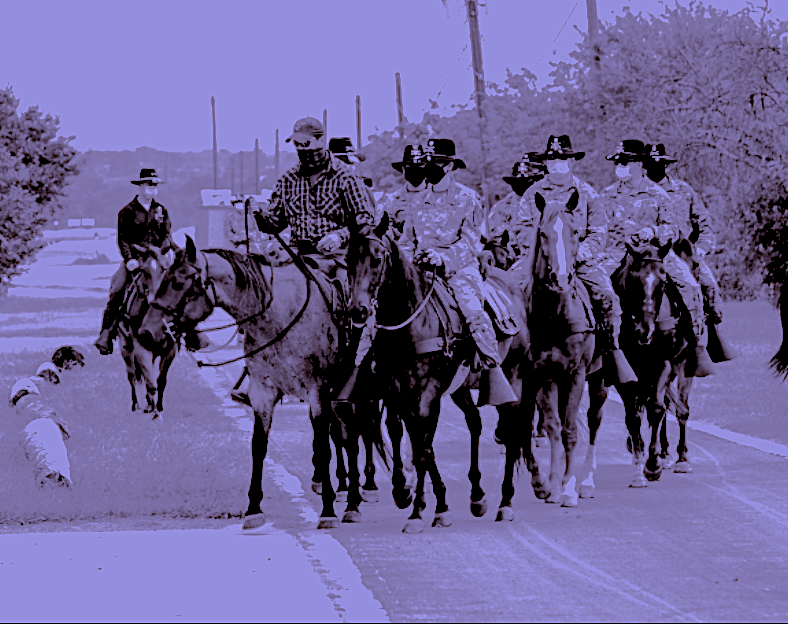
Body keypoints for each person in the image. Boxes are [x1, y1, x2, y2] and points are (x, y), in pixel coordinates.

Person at [253, 117, 376, 411]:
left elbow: (365, 220)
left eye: (306, 144)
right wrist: (260, 215)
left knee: (352, 305)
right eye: (297, 145)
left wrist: (339, 235)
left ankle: (356, 365)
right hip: (298, 255)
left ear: (321, 141)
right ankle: (259, 373)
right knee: (268, 295)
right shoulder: (287, 179)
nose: (302, 150)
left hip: (337, 256)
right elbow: (275, 222)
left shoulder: (346, 177)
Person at [398, 138, 517, 405]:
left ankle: (490, 366)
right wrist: (410, 260)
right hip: (420, 269)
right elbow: (407, 240)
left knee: (474, 312)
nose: (431, 167)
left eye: (437, 162)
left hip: (458, 270)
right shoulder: (417, 200)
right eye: (428, 161)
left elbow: (472, 241)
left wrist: (443, 258)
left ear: (450, 166)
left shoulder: (468, 198)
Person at [512, 135, 637, 385]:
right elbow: (520, 228)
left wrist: (580, 253)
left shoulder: (587, 193)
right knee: (508, 292)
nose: (557, 165)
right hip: (539, 262)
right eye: (552, 160)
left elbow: (599, 230)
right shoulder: (532, 193)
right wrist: (542, 251)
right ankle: (509, 351)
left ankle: (610, 350)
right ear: (546, 163)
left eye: (562, 160)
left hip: (579, 262)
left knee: (607, 296)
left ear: (571, 162)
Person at [599, 140, 716, 377]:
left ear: (638, 164)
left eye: (624, 162)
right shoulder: (606, 195)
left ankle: (697, 345)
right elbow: (597, 228)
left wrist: (652, 231)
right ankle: (599, 347)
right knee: (595, 289)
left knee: (691, 286)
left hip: (656, 255)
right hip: (616, 254)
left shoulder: (658, 194)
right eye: (617, 162)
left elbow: (672, 228)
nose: (619, 166)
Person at [94, 168, 207, 355]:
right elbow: (122, 239)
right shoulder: (127, 211)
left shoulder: (161, 210)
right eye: (148, 184)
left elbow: (167, 236)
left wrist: (175, 252)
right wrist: (129, 259)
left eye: (155, 185)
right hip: (136, 260)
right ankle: (106, 333)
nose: (152, 188)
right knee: (118, 288)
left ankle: (192, 332)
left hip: (159, 258)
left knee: (181, 286)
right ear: (140, 186)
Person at [643, 144, 729, 333]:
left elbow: (704, 224)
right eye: (650, 164)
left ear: (666, 165)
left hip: (681, 253)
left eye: (659, 163)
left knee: (709, 286)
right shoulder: (636, 192)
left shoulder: (683, 190)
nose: (655, 168)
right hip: (646, 256)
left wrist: (701, 249)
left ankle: (705, 333)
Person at [488, 152, 545, 247]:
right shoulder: (502, 207)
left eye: (526, 183)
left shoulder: (544, 203)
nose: (522, 187)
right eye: (518, 183)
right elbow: (496, 237)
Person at [375, 145, 428, 239]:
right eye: (410, 167)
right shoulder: (392, 200)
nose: (415, 170)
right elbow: (385, 231)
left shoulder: (439, 197)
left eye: (420, 166)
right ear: (403, 169)